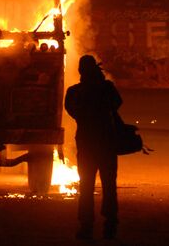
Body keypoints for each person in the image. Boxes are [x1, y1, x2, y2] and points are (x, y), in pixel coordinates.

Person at [65, 54, 123, 240]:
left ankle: (86, 226)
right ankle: (110, 225)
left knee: (86, 187)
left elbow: (73, 111)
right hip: (106, 144)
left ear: (81, 71)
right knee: (109, 186)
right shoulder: (106, 88)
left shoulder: (75, 92)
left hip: (87, 145)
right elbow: (117, 103)